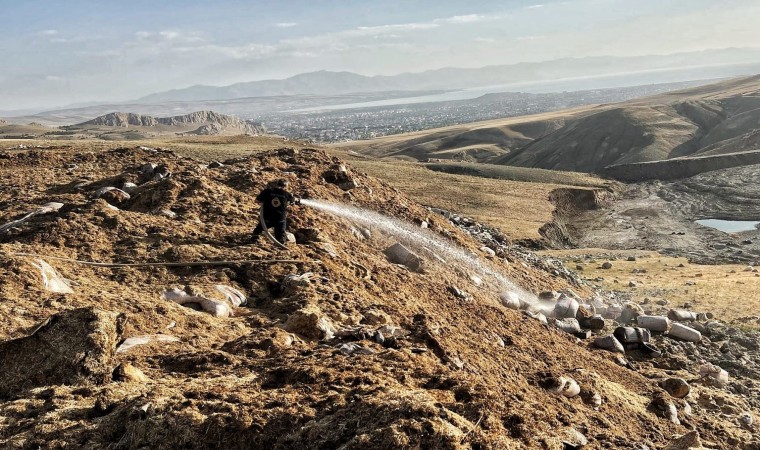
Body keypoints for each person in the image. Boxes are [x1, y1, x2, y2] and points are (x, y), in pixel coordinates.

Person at [251, 178, 298, 244]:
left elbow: (256, 201)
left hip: (267, 218)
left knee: (257, 231)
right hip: (280, 219)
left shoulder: (267, 191)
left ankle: (254, 241)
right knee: (280, 239)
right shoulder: (287, 194)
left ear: (277, 184)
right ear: (286, 186)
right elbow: (293, 202)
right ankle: (281, 246)